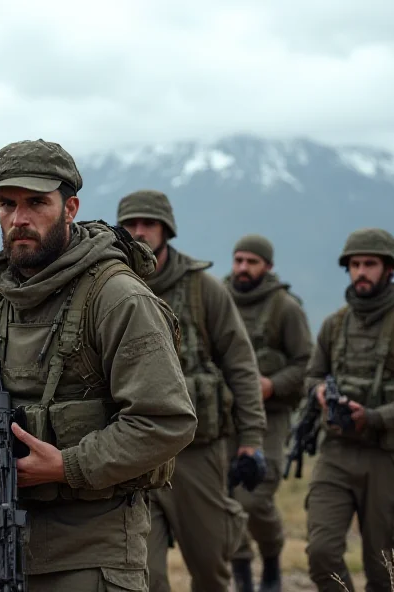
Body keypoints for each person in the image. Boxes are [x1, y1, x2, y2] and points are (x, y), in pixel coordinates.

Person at [0, 139, 197, 592]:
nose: (19, 219)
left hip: (90, 550)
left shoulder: (117, 298)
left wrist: (68, 465)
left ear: (70, 208)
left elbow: (166, 420)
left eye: (36, 203)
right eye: (7, 204)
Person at [116, 189, 267, 592]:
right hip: (131, 454)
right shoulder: (107, 286)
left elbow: (240, 365)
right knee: (140, 575)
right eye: (130, 224)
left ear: (167, 230)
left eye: (148, 223)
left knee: (210, 565)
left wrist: (251, 439)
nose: (139, 232)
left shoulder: (203, 289)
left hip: (196, 453)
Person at [304, 228, 394, 592]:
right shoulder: (334, 325)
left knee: (382, 568)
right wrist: (320, 392)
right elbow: (311, 377)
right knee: (321, 554)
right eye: (354, 264)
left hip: (389, 458)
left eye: (370, 264)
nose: (361, 272)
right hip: (336, 453)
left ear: (389, 269)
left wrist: (375, 417)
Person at [223, 234, 313, 592]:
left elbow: (306, 364)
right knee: (226, 500)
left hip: (269, 419)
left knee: (254, 496)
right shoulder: (219, 297)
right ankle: (243, 574)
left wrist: (271, 385)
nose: (243, 268)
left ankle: (272, 555)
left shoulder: (285, 308)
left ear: (268, 267)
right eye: (238, 259)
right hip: (224, 416)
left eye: (252, 261)